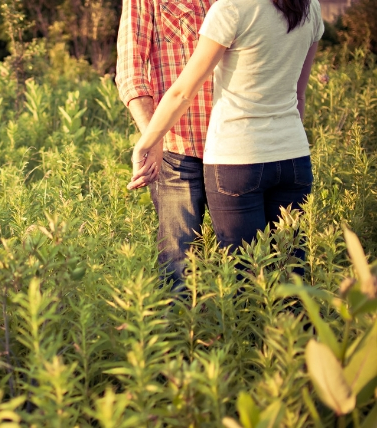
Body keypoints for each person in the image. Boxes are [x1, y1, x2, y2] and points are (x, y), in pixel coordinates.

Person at [128, 0, 323, 263]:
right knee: (290, 268)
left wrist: (146, 142)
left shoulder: (231, 9)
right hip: (294, 157)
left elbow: (182, 92)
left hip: (237, 159)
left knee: (245, 273)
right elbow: (299, 96)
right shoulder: (311, 8)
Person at [116, 0, 214, 288]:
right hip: (176, 152)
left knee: (243, 261)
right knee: (178, 270)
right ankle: (182, 331)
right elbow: (130, 72)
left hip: (234, 151)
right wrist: (153, 137)